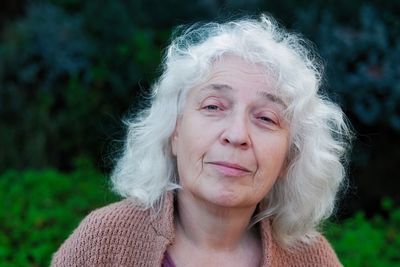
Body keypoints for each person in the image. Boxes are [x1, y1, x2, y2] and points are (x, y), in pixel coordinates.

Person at [52, 14, 352, 267]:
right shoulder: (104, 242)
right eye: (213, 106)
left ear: (290, 157)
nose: (236, 135)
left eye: (266, 118)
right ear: (174, 132)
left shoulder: (313, 259)